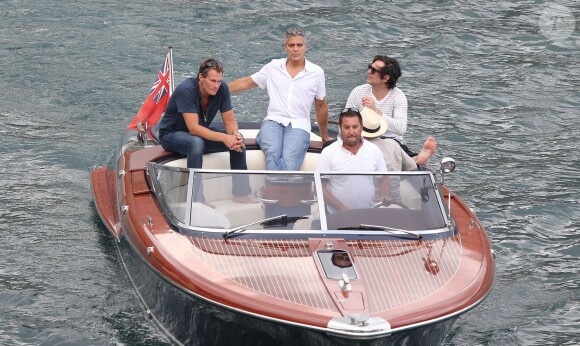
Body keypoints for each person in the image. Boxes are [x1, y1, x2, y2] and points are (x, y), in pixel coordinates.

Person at [228, 27, 332, 171]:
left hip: (299, 124)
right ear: (285, 48)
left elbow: (321, 106)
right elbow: (247, 82)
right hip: (273, 121)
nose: (295, 49)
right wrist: (217, 90)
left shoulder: (317, 73)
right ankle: (275, 190)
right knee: (273, 152)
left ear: (305, 48)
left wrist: (325, 136)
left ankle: (273, 191)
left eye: (299, 45)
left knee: (289, 158)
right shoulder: (273, 67)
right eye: (291, 45)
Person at [157, 58, 253, 203]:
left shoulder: (222, 89)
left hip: (199, 132)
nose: (216, 85)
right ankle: (196, 200)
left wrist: (234, 135)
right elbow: (193, 128)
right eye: (212, 81)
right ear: (201, 77)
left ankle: (241, 194)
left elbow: (230, 121)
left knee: (238, 142)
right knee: (196, 143)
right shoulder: (186, 90)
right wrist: (223, 138)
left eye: (219, 81)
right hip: (171, 134)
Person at [316, 109, 390, 213]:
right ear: (340, 128)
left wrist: (384, 195)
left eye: (355, 127)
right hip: (338, 216)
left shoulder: (374, 150)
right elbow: (319, 188)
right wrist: (342, 209)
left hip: (369, 213)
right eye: (346, 127)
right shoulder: (328, 152)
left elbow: (383, 178)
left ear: (361, 128)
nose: (351, 132)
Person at [345, 55, 416, 157]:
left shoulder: (398, 96)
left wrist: (376, 111)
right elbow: (345, 119)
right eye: (370, 67)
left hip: (390, 141)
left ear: (385, 78)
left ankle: (414, 159)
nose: (369, 71)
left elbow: (401, 128)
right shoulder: (358, 91)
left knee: (393, 149)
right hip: (362, 138)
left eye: (373, 70)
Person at [358, 107, 437, 171]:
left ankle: (416, 159)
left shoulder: (353, 147)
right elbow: (412, 168)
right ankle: (416, 159)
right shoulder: (393, 144)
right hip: (394, 187)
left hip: (367, 187)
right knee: (402, 158)